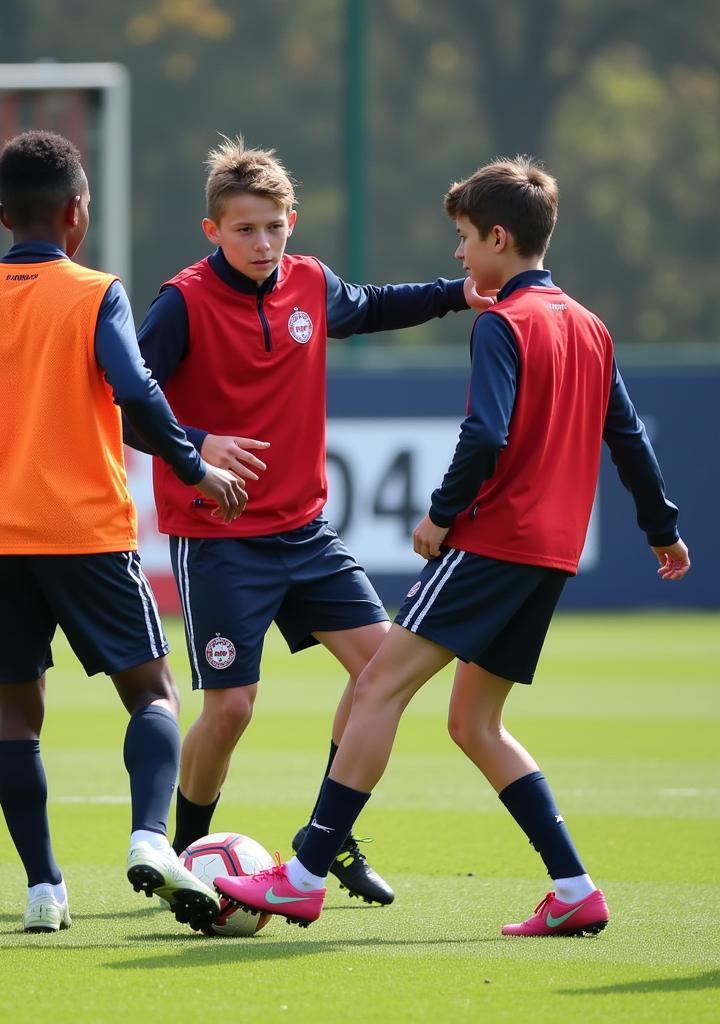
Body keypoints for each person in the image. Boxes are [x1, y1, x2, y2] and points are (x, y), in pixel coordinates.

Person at [215, 155, 691, 935]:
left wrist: (441, 514)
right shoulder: (589, 325)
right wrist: (662, 527)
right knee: (475, 723)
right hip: (553, 554)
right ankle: (574, 889)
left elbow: (486, 433)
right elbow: (627, 437)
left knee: (376, 687)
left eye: (466, 239)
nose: (460, 256)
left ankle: (303, 874)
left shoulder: (503, 321)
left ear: (500, 238)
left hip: (495, 540)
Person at [0, 129, 248, 934]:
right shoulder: (96, 292)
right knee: (153, 693)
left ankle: (43, 890)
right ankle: (148, 839)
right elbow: (135, 391)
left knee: (18, 715)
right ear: (75, 214)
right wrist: (195, 468)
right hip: (86, 530)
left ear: (9, 214)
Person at [133, 136, 491, 905]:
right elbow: (120, 401)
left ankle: (324, 841)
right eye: (244, 229)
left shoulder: (309, 283)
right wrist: (196, 446)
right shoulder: (182, 302)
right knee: (231, 708)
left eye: (274, 226)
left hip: (306, 532)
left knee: (379, 676)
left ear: (292, 220)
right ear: (212, 232)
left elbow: (376, 305)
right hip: (219, 536)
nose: (262, 243)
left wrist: (460, 294)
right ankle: (188, 850)